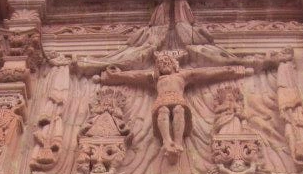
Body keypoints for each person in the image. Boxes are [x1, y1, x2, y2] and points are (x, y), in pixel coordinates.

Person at [97, 51, 253, 162]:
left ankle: (177, 142)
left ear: (174, 65)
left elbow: (206, 73)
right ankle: (166, 141)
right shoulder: (154, 78)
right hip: (162, 101)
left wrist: (231, 71)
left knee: (178, 110)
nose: (165, 65)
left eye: (168, 63)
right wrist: (115, 76)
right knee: (163, 111)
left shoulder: (182, 76)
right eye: (161, 64)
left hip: (178, 100)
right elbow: (133, 76)